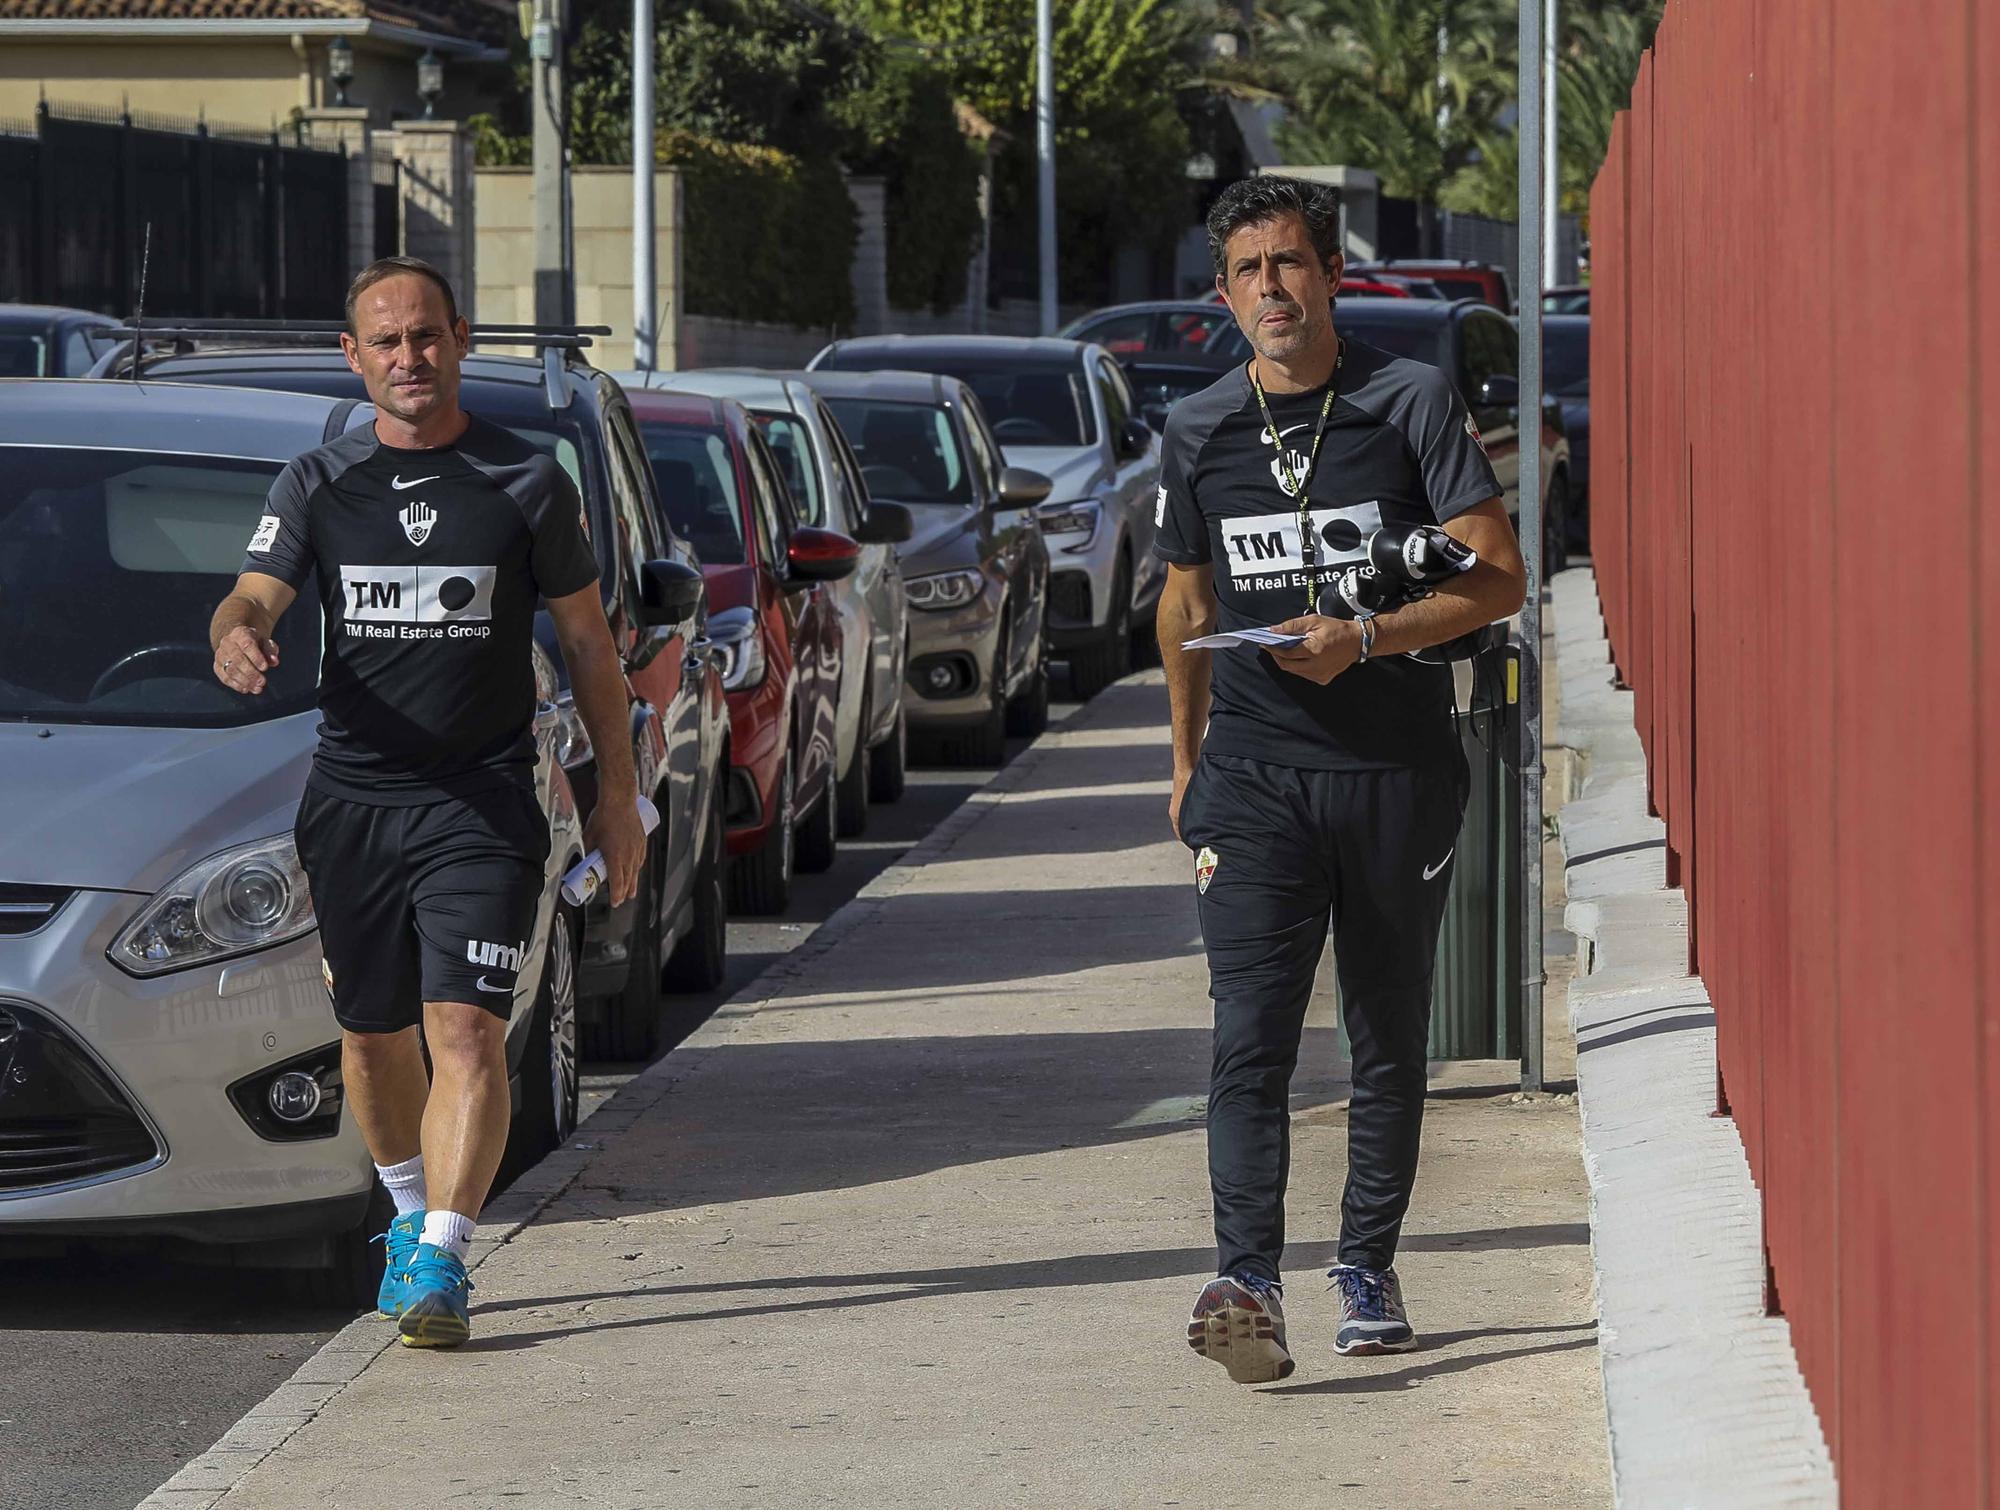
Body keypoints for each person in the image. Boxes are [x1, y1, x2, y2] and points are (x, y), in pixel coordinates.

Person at [209, 256, 646, 1348]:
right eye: (386, 342)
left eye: (426, 335)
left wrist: (618, 797)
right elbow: (255, 586)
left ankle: (445, 1253)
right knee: (370, 1039)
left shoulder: (530, 481)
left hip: (481, 801)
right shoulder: (316, 484)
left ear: (458, 339)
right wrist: (238, 629)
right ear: (354, 358)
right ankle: (410, 1224)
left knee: (466, 1027)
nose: (410, 358)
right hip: (353, 803)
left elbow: (590, 644)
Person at [1155, 178, 1527, 1384]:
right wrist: (1182, 757)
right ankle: (1244, 1278)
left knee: (1380, 1029)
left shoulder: (1405, 398)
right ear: (1223, 295)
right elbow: (1185, 600)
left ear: (1331, 274)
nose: (1271, 285)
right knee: (1247, 1036)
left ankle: (1364, 1262)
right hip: (1255, 776)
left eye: (1291, 262)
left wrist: (1364, 639)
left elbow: (1497, 577)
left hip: (1391, 769)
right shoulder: (1198, 427)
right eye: (1248, 269)